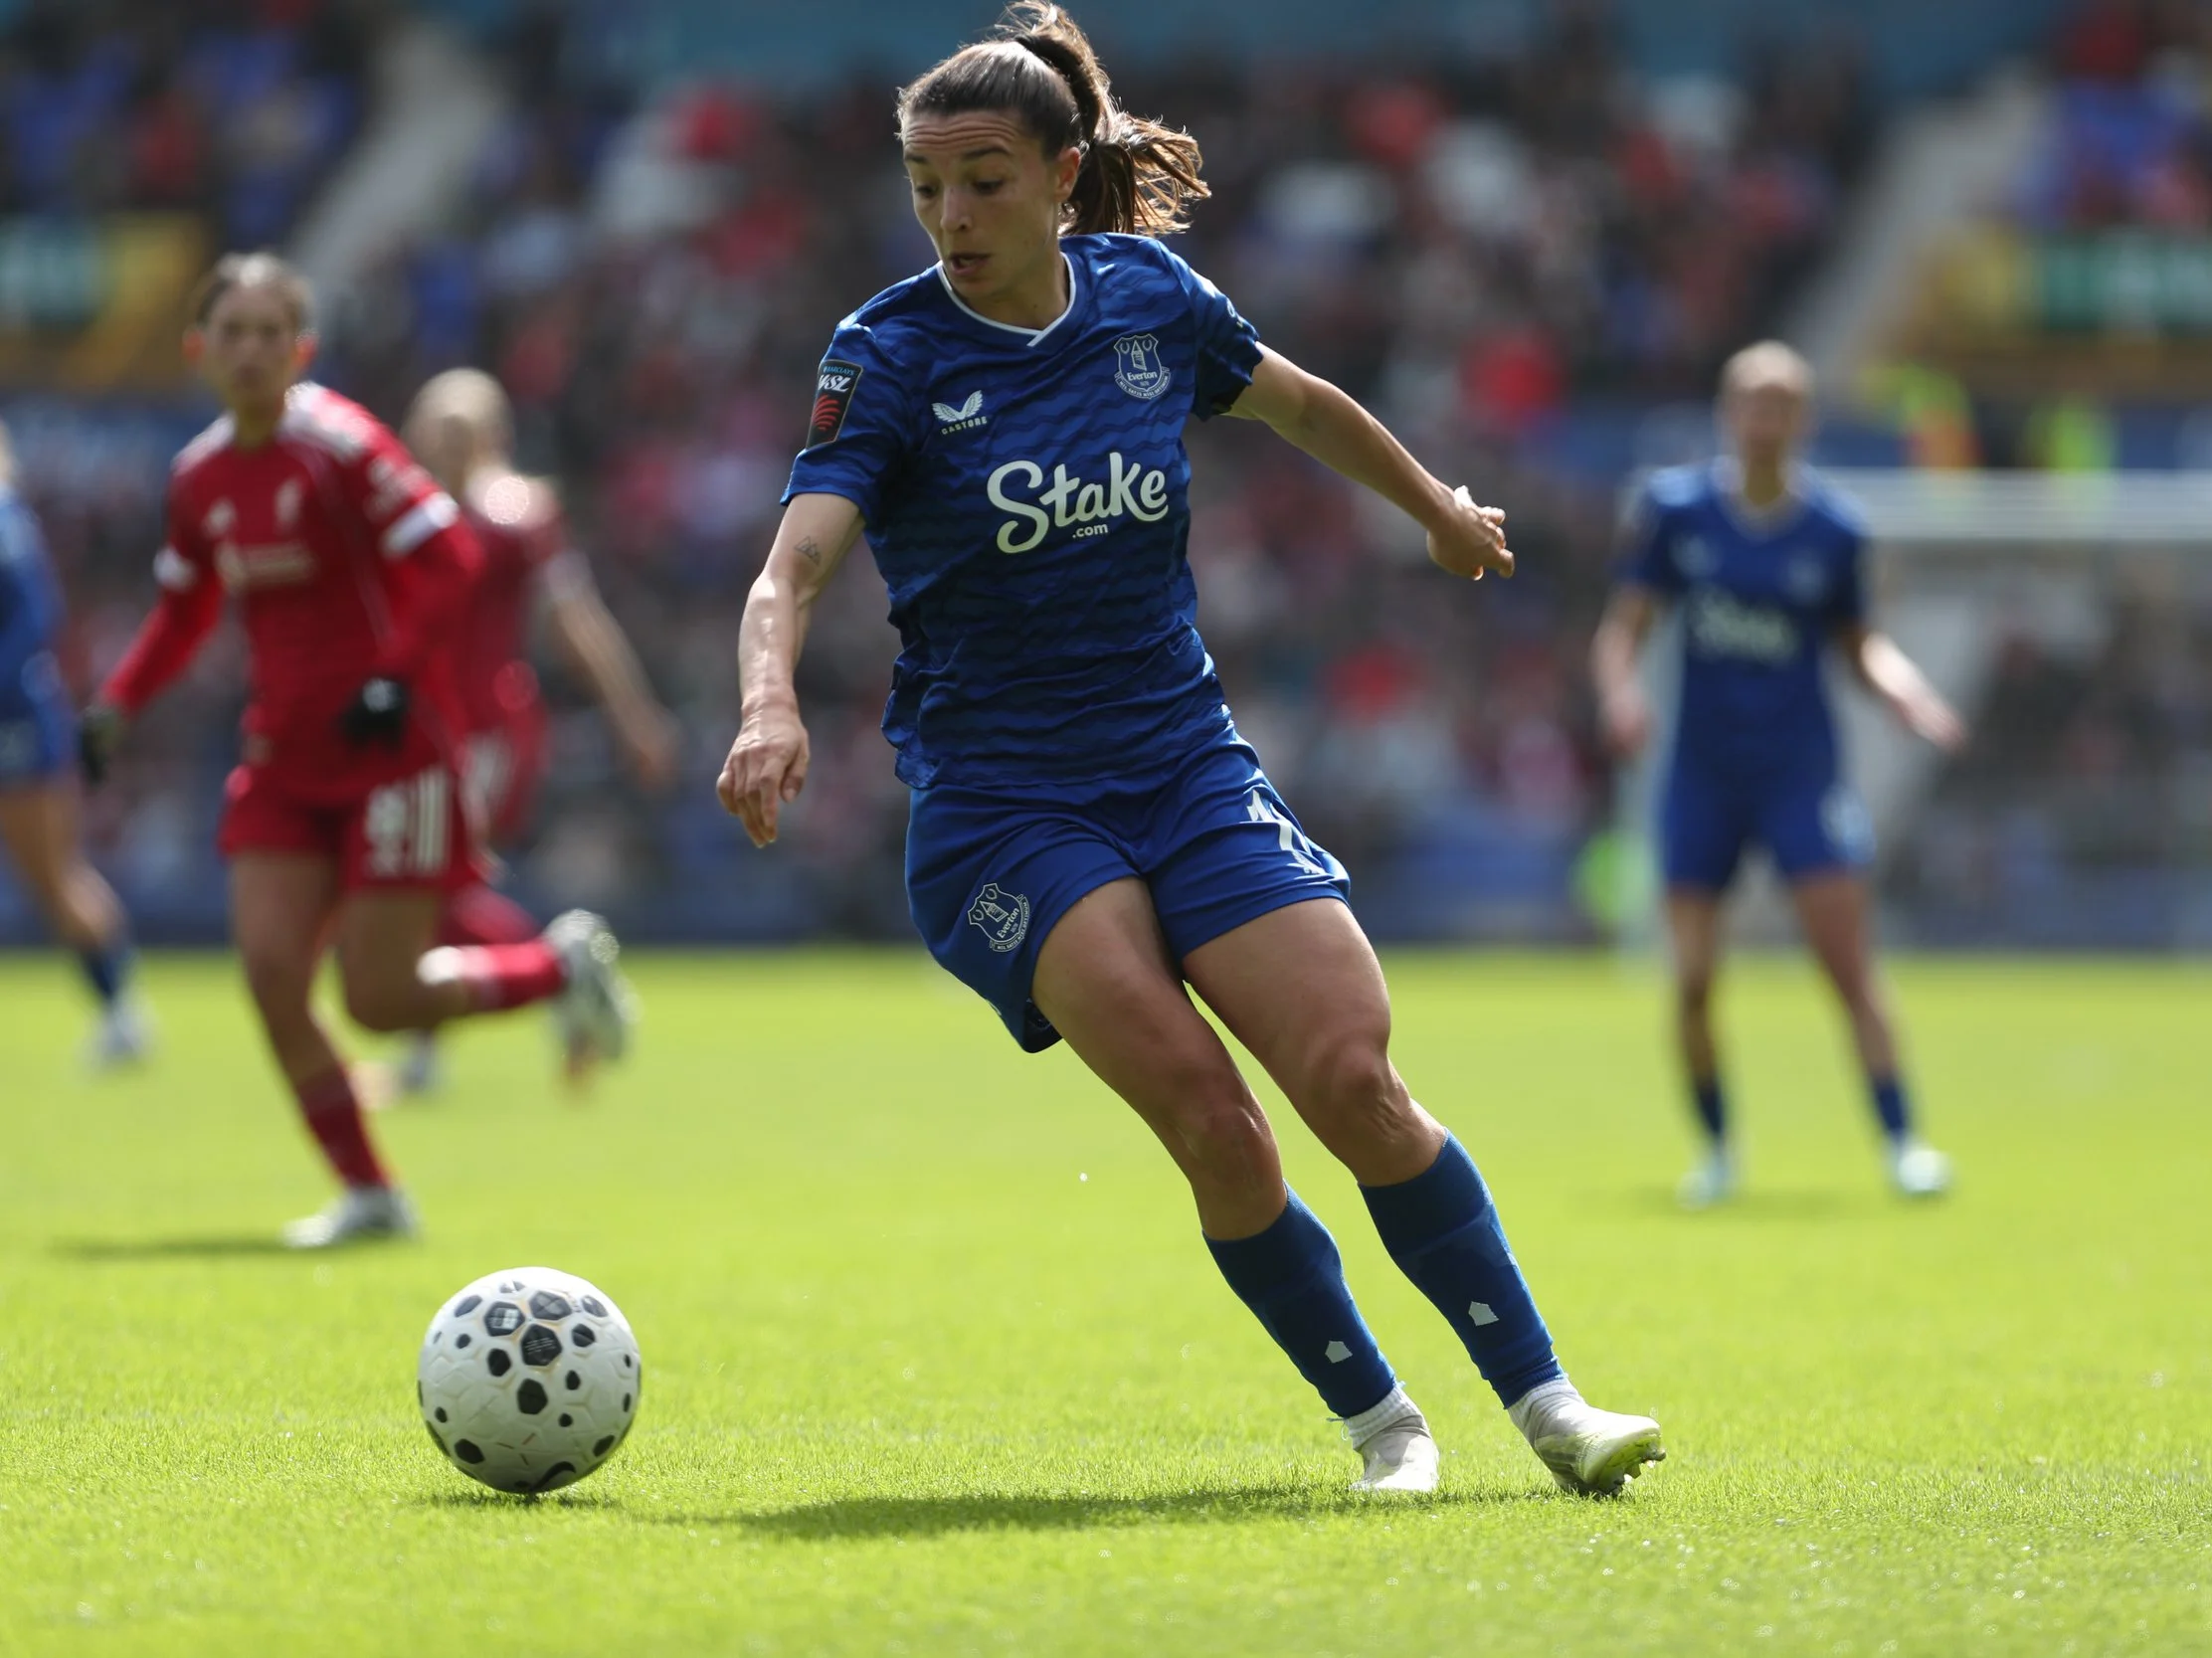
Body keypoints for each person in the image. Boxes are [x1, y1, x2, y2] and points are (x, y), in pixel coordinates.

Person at [718, 3, 1662, 1498]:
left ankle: (1552, 1404)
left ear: (1060, 171)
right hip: (1007, 804)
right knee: (1213, 1114)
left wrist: (1432, 507)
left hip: (1181, 761)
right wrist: (769, 697)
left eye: (984, 180)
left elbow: (1301, 402)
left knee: (1353, 1077)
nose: (952, 215)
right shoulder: (888, 353)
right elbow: (793, 568)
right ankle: (1384, 1426)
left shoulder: (1150, 298)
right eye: (926, 186)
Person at [81, 253, 634, 1248]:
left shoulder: (340, 444)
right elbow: (185, 605)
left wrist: (390, 673)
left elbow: (449, 556)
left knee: (377, 998)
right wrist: (117, 704)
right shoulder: (200, 474)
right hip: (284, 756)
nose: (250, 352)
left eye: (269, 334)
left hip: (392, 750)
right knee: (268, 971)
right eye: (231, 333)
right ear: (198, 350)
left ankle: (556, 968)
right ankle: (372, 1192)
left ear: (302, 351)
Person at [1588, 341, 1963, 1208]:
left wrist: (1909, 697)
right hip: (1704, 777)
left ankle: (1904, 1141)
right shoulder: (1677, 514)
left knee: (1846, 966)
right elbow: (1624, 628)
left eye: (1780, 405)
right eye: (1750, 403)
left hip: (1801, 776)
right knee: (1690, 978)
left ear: (1804, 420)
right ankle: (1717, 1150)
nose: (1764, 420)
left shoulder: (1835, 532)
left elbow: (1859, 644)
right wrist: (1619, 696)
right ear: (1728, 413)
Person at [392, 368, 679, 1093]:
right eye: (433, 429)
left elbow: (576, 623)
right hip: (417, 729)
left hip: (484, 728)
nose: (443, 445)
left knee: (430, 885)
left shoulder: (515, 516)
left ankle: (555, 975)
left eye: (460, 430)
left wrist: (633, 715)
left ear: (496, 438)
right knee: (418, 887)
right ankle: (552, 982)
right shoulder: (403, 515)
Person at [0, 421, 150, 1064]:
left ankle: (121, 1008)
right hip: (21, 715)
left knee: (52, 874)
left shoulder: (6, 527)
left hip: (16, 722)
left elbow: (33, 627)